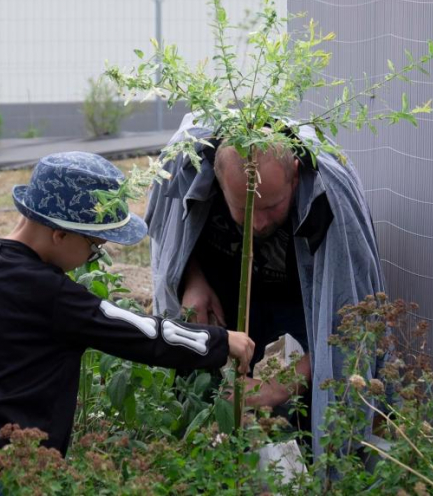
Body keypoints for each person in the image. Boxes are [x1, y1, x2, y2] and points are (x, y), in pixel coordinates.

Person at [0, 151, 255, 492]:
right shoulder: (50, 292)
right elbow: (140, 332)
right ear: (60, 234)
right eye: (95, 246)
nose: (93, 256)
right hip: (3, 477)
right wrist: (221, 342)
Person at [146, 114, 387, 457]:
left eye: (272, 206)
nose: (257, 224)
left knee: (296, 427)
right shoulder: (198, 174)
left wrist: (281, 386)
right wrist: (192, 280)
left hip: (299, 309)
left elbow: (347, 326)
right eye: (243, 209)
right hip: (226, 300)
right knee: (206, 401)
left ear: (294, 177)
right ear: (217, 184)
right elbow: (174, 238)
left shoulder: (328, 204)